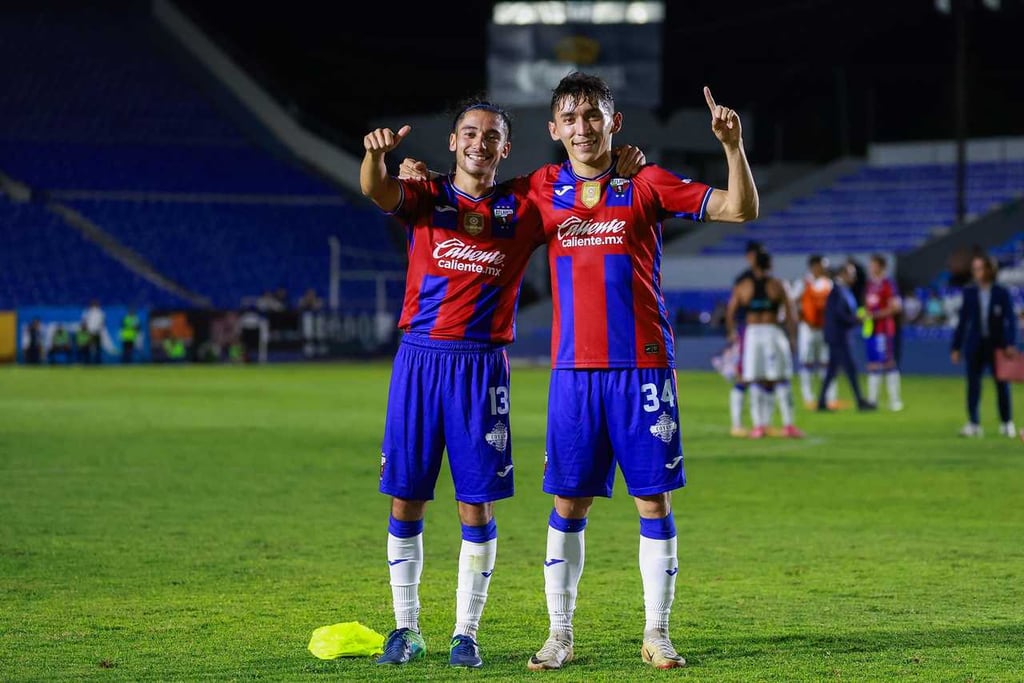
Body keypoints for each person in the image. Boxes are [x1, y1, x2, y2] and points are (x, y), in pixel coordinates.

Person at [361, 97, 645, 669]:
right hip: (419, 358)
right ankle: (405, 628)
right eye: (469, 133)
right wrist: (377, 159)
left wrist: (622, 168)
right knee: (406, 497)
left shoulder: (525, 203)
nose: (478, 143)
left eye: (491, 137)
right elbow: (378, 190)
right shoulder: (426, 195)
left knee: (476, 504)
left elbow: (583, 195)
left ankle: (466, 632)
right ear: (452, 141)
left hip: (481, 365)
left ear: (505, 148)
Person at [520, 73, 758, 671]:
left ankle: (657, 631)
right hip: (574, 373)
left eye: (593, 115)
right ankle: (559, 633)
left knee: (652, 501)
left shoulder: (646, 183)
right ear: (554, 130)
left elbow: (738, 209)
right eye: (570, 119)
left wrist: (732, 145)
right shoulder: (542, 189)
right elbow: (472, 203)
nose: (582, 127)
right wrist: (417, 180)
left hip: (643, 370)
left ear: (613, 122)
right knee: (569, 504)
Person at [725, 250, 803, 439]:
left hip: (752, 335)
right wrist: (793, 338)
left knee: (755, 378)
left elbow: (730, 311)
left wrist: (732, 333)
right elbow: (791, 313)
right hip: (772, 332)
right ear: (770, 265)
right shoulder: (778, 285)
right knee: (781, 378)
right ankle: (788, 425)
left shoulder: (743, 286)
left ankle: (759, 426)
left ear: (754, 265)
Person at [951, 254, 1017, 437]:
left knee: (1002, 385)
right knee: (973, 385)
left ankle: (1006, 422)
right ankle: (974, 423)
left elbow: (1010, 320)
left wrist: (1010, 343)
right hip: (975, 344)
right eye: (974, 268)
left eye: (979, 268)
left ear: (989, 269)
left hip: (998, 345)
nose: (975, 272)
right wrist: (956, 347)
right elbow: (963, 322)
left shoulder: (1001, 292)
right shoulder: (969, 292)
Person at [818, 264, 875, 411]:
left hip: (840, 335)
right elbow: (839, 314)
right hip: (838, 336)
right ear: (843, 274)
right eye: (851, 274)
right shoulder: (837, 291)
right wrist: (856, 319)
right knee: (850, 368)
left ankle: (821, 402)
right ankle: (860, 401)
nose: (854, 277)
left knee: (832, 370)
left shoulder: (844, 290)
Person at [725, 241, 763, 437]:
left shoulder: (769, 280)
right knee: (744, 375)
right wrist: (732, 331)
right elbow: (732, 307)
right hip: (746, 331)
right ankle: (737, 424)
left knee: (761, 377)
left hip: (763, 333)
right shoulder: (744, 279)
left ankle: (760, 424)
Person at [791, 255, 838, 408]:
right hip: (808, 328)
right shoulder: (803, 283)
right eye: (822, 265)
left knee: (826, 362)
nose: (825, 268)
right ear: (814, 266)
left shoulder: (829, 284)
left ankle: (828, 395)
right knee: (807, 362)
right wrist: (801, 318)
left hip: (824, 328)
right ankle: (808, 396)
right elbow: (793, 303)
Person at [863, 254, 903, 411]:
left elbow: (896, 307)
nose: (870, 268)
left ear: (881, 266)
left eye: (873, 265)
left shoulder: (888, 284)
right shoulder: (870, 285)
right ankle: (873, 400)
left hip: (884, 330)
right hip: (871, 329)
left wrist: (875, 315)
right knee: (873, 364)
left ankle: (895, 401)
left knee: (888, 363)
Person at [82, 300, 105, 364]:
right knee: (89, 348)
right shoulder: (88, 312)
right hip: (91, 332)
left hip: (95, 332)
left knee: (96, 348)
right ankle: (89, 362)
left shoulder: (100, 312)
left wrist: (98, 330)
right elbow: (84, 323)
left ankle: (96, 361)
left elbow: (102, 323)